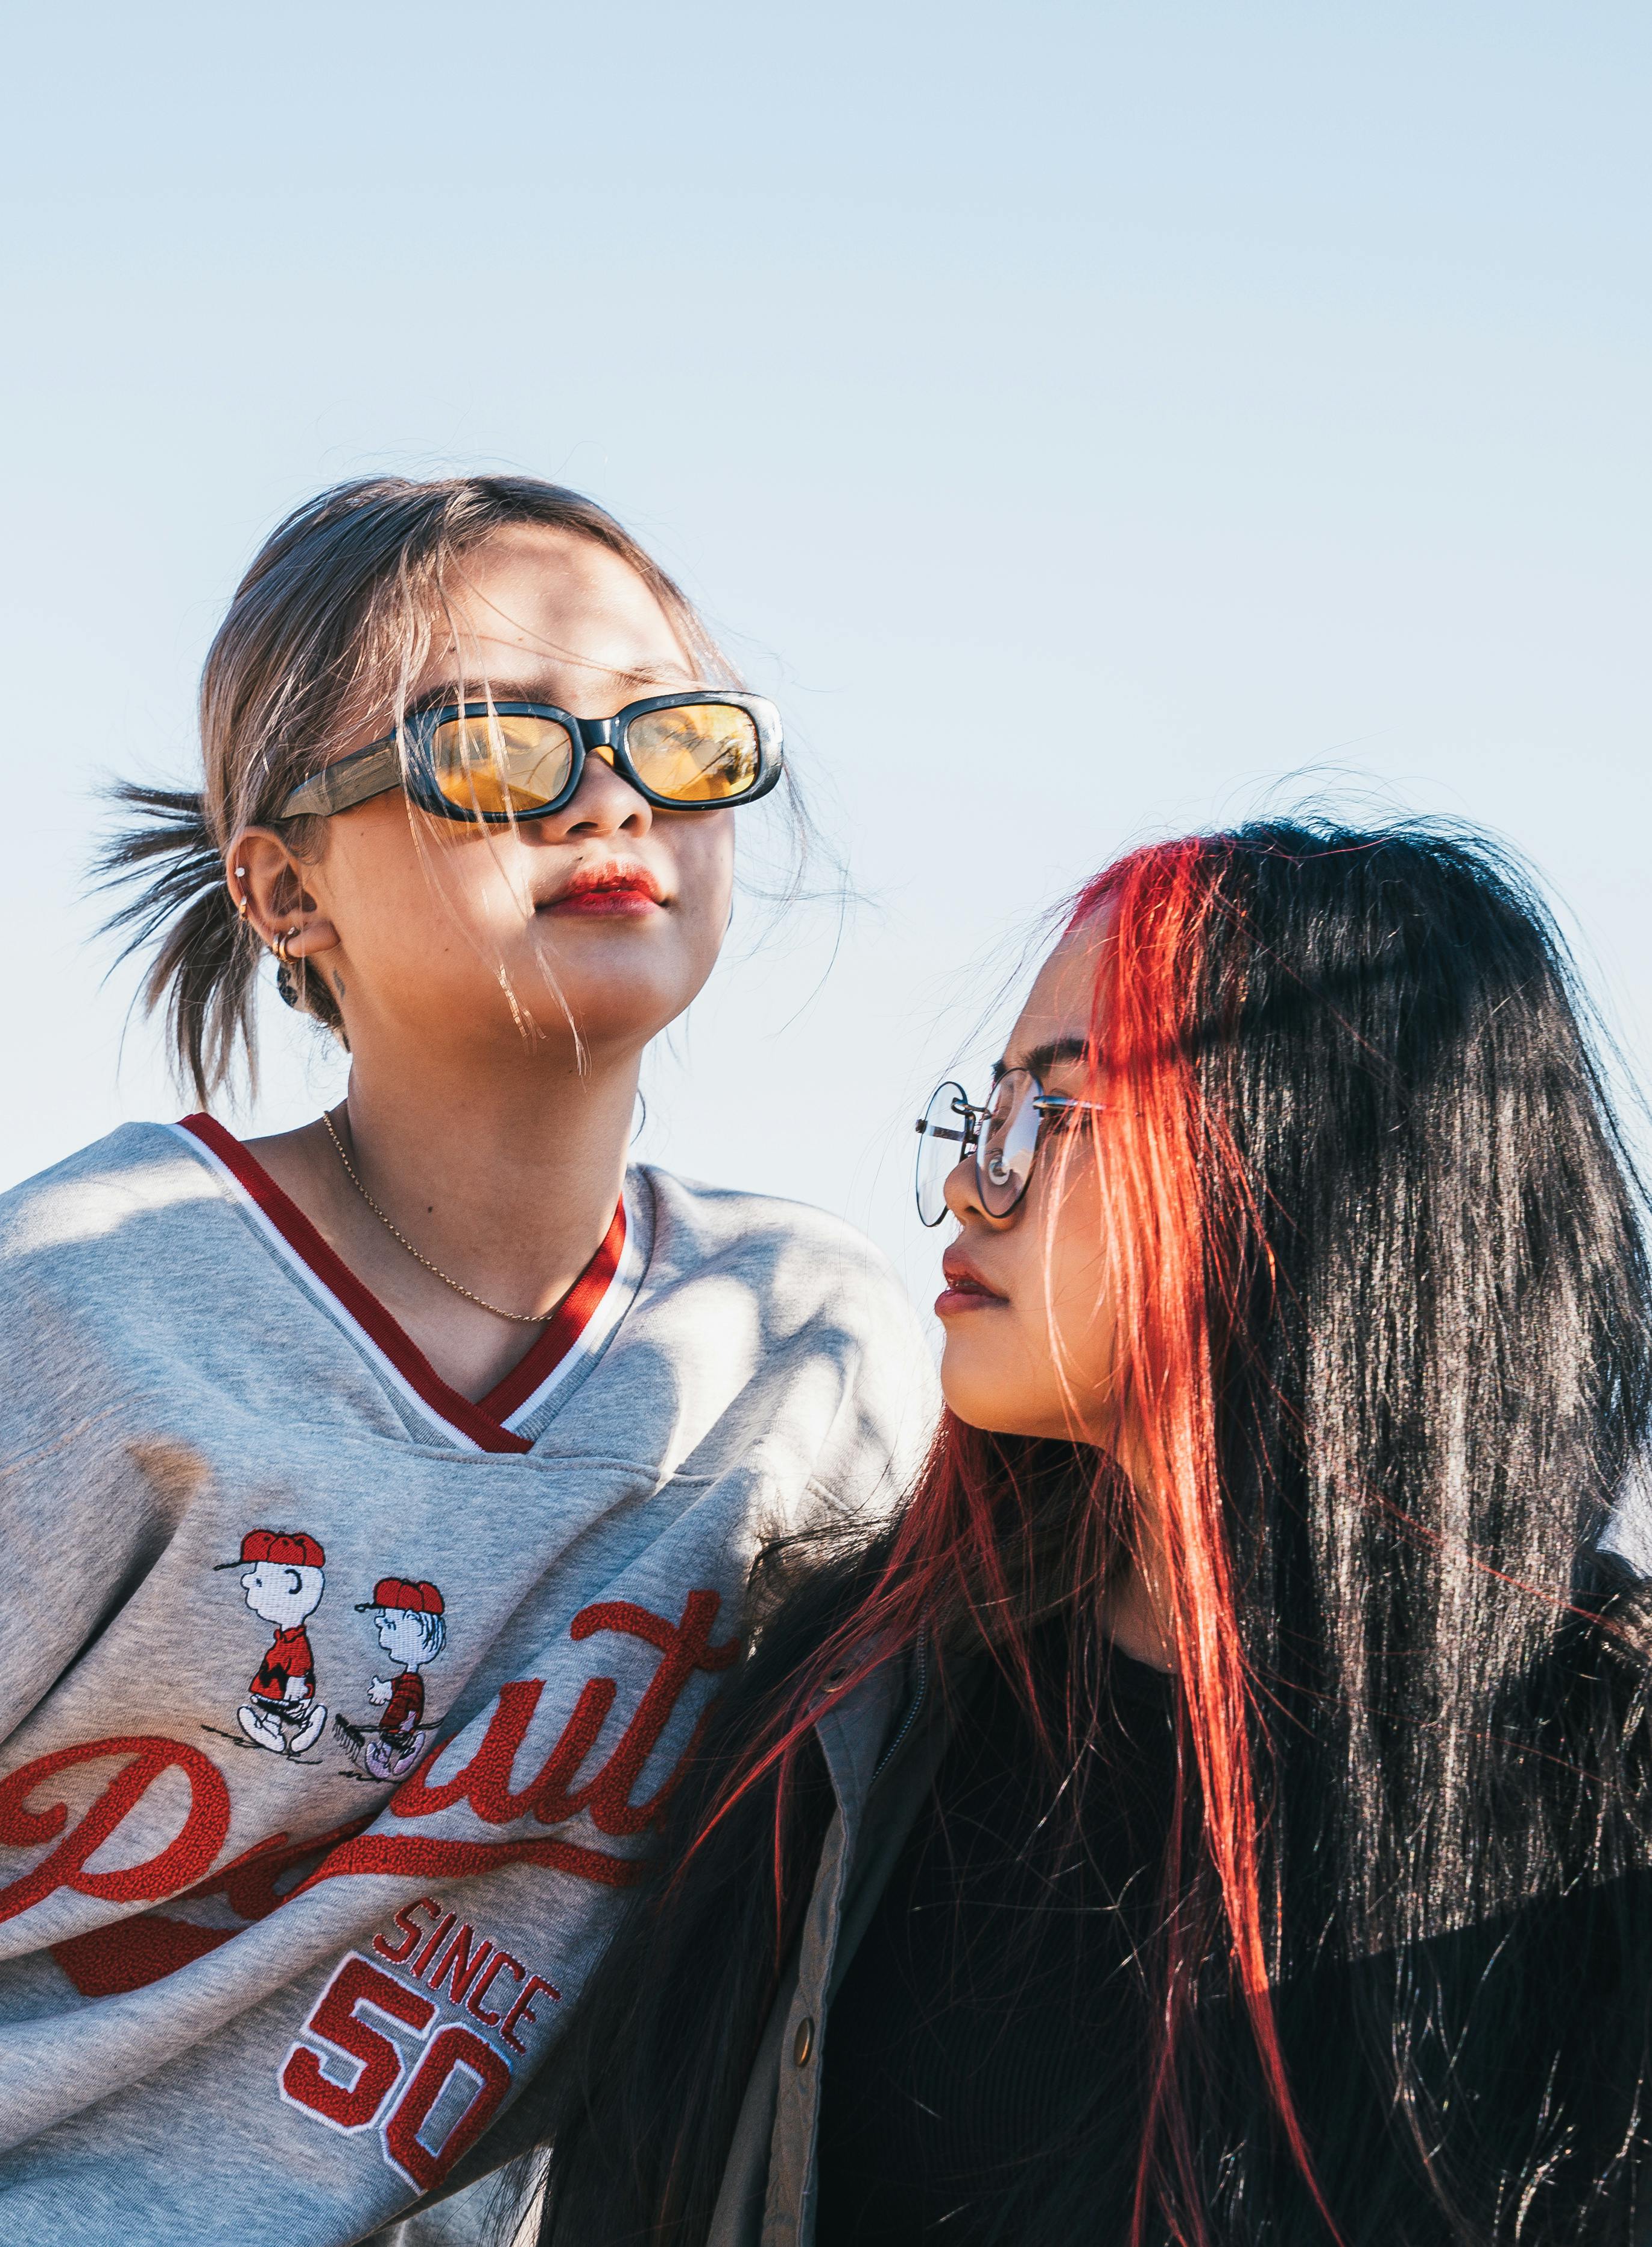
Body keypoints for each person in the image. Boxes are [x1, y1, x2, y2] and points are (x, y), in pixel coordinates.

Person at [0, 476, 932, 2246]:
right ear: (282, 885)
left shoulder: (812, 1353)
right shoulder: (74, 1308)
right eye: (495, 747)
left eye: (679, 735)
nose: (611, 794)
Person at [538, 819, 1652, 2247]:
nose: (965, 1185)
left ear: (1325, 1178)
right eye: (982, 1112)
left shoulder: (1600, 1801)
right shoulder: (849, 1713)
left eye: (1049, 1118)